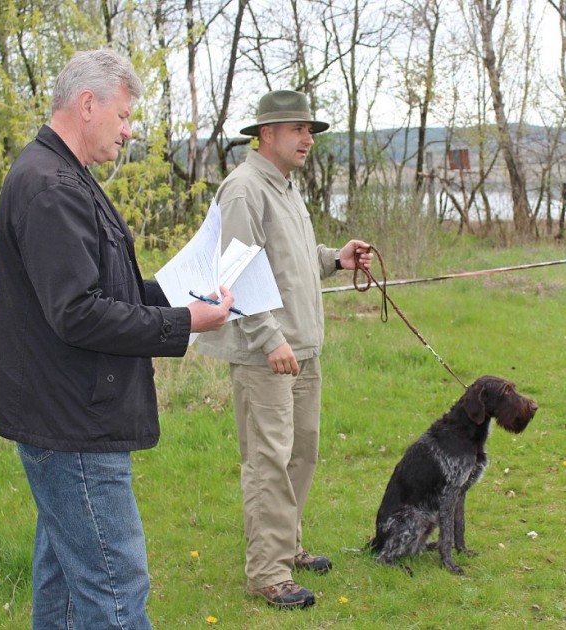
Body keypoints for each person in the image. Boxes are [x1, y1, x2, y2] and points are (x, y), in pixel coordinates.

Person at [0, 49, 234, 629]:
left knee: (66, 583)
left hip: (67, 414)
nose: (128, 131)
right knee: (115, 586)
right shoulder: (51, 187)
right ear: (87, 104)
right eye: (122, 116)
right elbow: (78, 313)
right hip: (73, 424)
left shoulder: (65, 176)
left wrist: (174, 300)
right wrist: (185, 324)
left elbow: (102, 288)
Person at [197, 90, 373, 609]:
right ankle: (268, 573)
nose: (308, 139)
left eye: (311, 131)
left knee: (302, 452)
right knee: (268, 460)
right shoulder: (244, 190)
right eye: (298, 129)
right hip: (266, 353)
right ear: (266, 135)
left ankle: (287, 547)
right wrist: (269, 338)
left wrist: (336, 259)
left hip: (303, 348)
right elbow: (236, 274)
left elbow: (291, 263)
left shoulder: (287, 188)